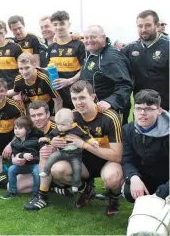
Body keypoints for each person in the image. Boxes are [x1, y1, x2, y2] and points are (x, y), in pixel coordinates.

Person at [25, 80, 123, 217]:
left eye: (82, 97)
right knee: (57, 169)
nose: (78, 102)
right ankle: (86, 190)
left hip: (107, 160)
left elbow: (117, 156)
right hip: (82, 161)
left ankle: (114, 198)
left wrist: (84, 144)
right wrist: (54, 142)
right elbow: (55, 134)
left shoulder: (110, 117)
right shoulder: (71, 115)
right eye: (74, 99)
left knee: (113, 177)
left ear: (93, 97)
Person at [121, 89, 169, 203]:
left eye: (148, 109)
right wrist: (133, 177)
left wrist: (163, 191)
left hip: (166, 177)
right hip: (146, 175)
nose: (142, 113)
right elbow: (127, 159)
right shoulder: (128, 130)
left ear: (159, 111)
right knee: (129, 192)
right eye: (138, 108)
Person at [81, 25, 133, 124]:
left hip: (108, 111)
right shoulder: (92, 52)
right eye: (86, 37)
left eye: (93, 37)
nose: (89, 40)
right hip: (94, 109)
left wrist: (110, 102)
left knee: (112, 139)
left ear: (103, 37)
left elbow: (125, 85)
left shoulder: (112, 58)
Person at [38, 108, 99, 193]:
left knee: (77, 169)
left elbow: (86, 136)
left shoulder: (76, 129)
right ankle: (46, 171)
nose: (60, 127)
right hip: (62, 152)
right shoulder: (58, 128)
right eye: (58, 124)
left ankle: (76, 184)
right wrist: (46, 139)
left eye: (63, 125)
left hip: (75, 154)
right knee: (51, 158)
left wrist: (93, 141)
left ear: (71, 123)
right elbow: (51, 135)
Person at [121, 10, 169, 111]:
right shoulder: (130, 48)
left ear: (157, 25)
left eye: (148, 25)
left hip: (164, 108)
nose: (143, 29)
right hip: (140, 108)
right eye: (140, 26)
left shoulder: (167, 46)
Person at [46, 11, 85, 110]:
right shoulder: (50, 47)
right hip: (58, 97)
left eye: (62, 23)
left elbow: (84, 69)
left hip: (77, 94)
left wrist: (69, 81)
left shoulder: (79, 45)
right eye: (55, 24)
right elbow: (49, 69)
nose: (59, 27)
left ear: (69, 24)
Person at [0, 117, 40, 199]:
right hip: (24, 166)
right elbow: (15, 155)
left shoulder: (35, 141)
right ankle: (12, 191)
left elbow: (37, 156)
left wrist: (29, 157)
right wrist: (21, 156)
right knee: (11, 169)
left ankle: (36, 193)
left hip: (35, 164)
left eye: (20, 128)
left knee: (36, 171)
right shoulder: (15, 142)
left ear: (28, 129)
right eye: (15, 128)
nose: (17, 131)